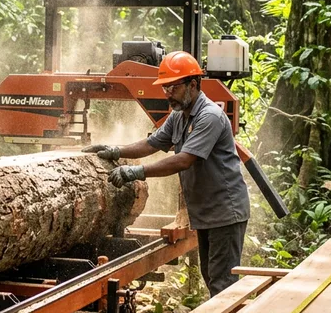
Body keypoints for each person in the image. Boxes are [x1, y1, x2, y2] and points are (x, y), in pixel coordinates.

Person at [83, 51, 250, 297]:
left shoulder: (209, 117)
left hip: (225, 212)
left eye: (172, 87)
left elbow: (183, 160)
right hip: (207, 213)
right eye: (164, 88)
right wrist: (116, 150)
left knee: (222, 285)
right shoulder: (179, 116)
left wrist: (137, 171)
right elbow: (153, 144)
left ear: (192, 85)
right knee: (212, 278)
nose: (167, 93)